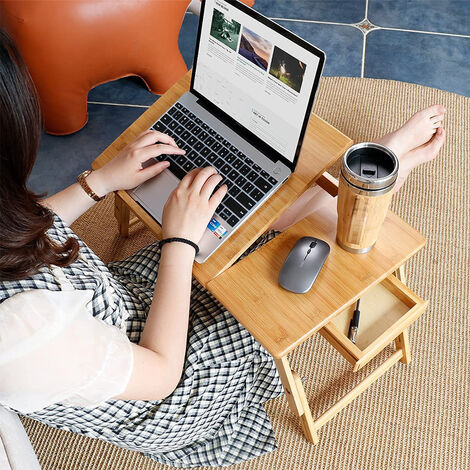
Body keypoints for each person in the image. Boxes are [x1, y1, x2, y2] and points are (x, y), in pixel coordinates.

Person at [0, 31, 445, 467]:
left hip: (124, 304)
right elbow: (161, 375)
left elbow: (20, 226)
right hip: (175, 388)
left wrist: (101, 181)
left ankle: (372, 169)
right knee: (297, 246)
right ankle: (380, 170)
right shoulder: (22, 333)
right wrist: (178, 240)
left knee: (256, 220)